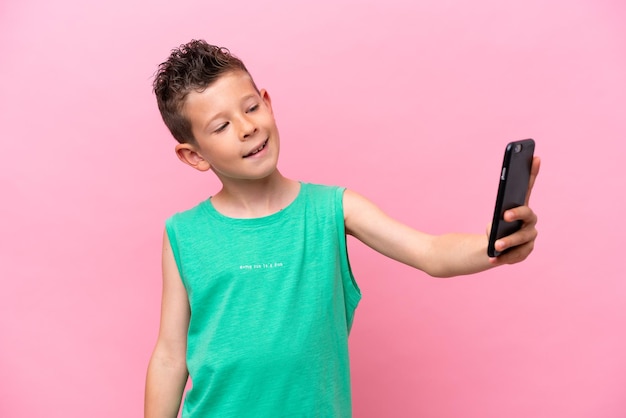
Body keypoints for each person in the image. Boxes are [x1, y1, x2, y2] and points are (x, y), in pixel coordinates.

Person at [144, 39, 540, 418]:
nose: (247, 127)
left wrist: (494, 245)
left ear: (267, 103)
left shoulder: (332, 209)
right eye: (221, 127)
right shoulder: (183, 234)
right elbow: (169, 355)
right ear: (193, 155)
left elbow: (430, 252)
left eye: (250, 108)